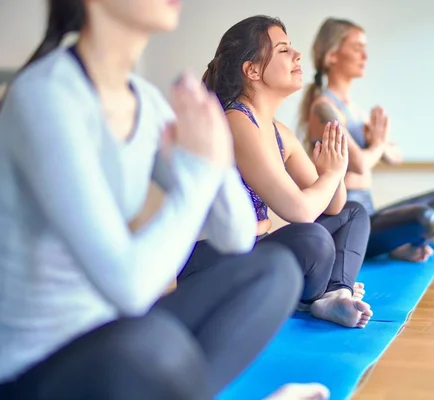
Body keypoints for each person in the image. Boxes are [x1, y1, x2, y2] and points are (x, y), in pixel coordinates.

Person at [0, 1, 329, 399]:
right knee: (150, 344)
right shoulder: (46, 96)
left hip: (115, 336)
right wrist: (197, 176)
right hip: (34, 367)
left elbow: (237, 236)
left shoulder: (148, 100)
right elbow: (129, 287)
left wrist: (214, 154)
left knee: (274, 271)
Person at [193, 15, 373, 329]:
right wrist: (331, 176)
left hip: (256, 254)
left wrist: (334, 168)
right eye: (283, 50)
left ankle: (333, 293)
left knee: (355, 213)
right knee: (313, 238)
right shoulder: (236, 120)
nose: (297, 55)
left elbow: (334, 205)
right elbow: (299, 211)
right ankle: (315, 296)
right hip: (213, 264)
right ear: (252, 70)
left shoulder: (280, 132)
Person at [300, 17, 434, 263]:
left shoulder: (354, 110)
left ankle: (401, 242)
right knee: (424, 218)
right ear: (332, 56)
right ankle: (414, 239)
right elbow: (360, 164)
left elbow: (396, 157)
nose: (365, 56)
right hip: (348, 226)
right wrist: (377, 145)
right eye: (357, 48)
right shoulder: (324, 109)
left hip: (370, 214)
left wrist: (380, 144)